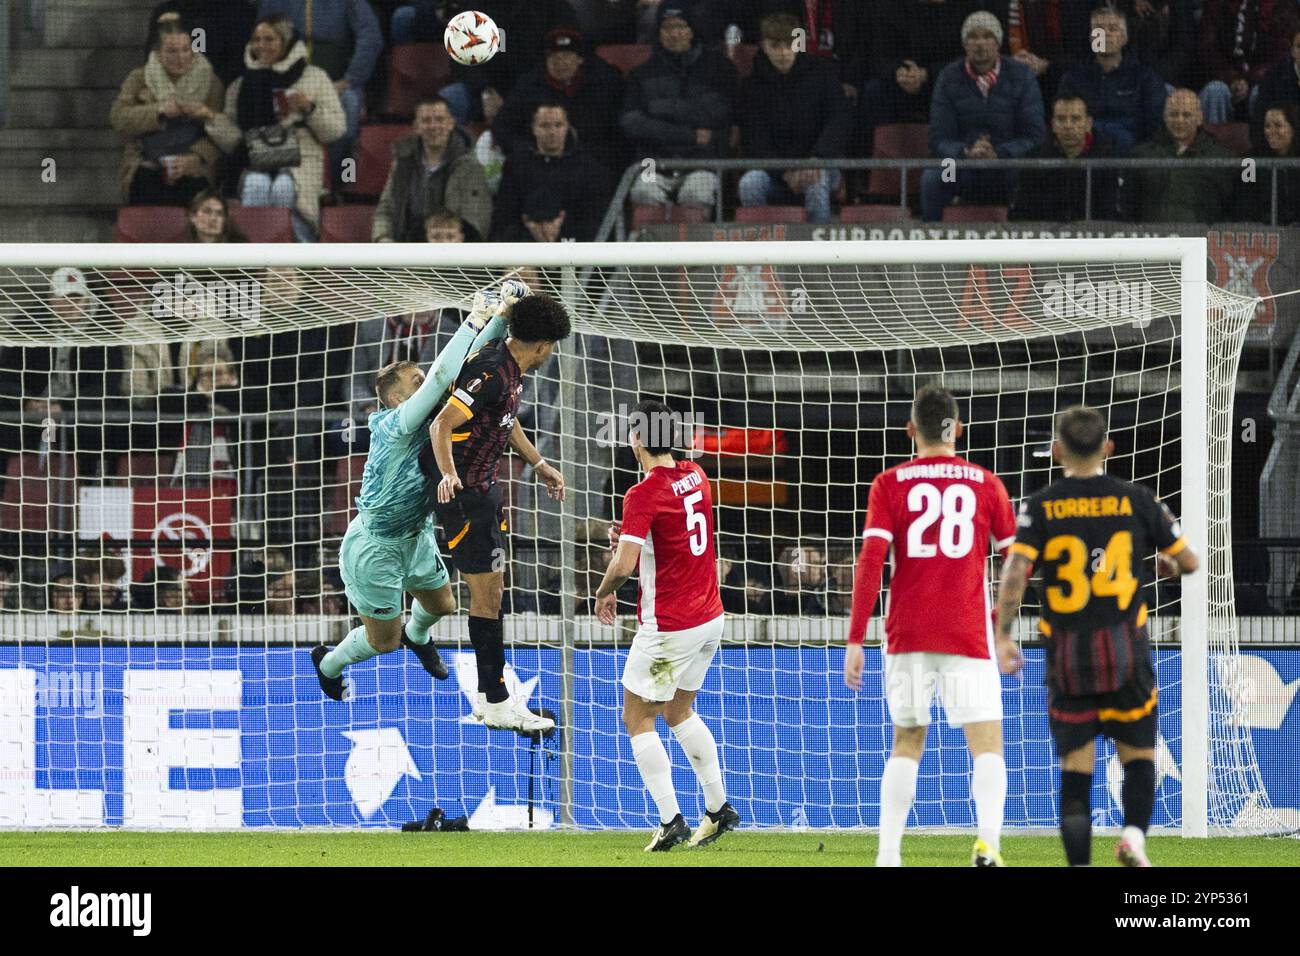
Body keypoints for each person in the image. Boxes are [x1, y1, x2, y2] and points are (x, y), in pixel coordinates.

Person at [994, 405, 1199, 867]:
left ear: (1056, 450)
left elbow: (1016, 572)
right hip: (1125, 652)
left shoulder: (1041, 505)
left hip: (1069, 658)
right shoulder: (1137, 500)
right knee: (1138, 756)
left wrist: (1003, 633)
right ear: (1108, 447)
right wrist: (1163, 564)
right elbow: (1188, 561)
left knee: (1075, 774)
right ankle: (1132, 838)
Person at [309, 285, 517, 701]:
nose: (428, 382)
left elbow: (471, 362)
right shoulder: (391, 424)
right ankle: (328, 663)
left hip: (416, 533)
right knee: (382, 643)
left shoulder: (439, 416)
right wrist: (474, 319)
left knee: (443, 606)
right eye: (416, 382)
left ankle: (417, 635)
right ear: (398, 398)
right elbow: (443, 373)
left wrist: (504, 314)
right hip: (376, 548)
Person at [844, 385, 1020, 867]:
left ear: (911, 430)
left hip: (907, 633)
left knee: (907, 740)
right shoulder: (986, 483)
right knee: (985, 741)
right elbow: (1016, 562)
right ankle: (988, 845)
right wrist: (1003, 630)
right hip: (968, 631)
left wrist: (855, 637)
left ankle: (888, 856)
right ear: (957, 428)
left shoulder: (890, 483)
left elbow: (870, 562)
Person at [594, 399, 738, 851]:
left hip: (670, 629)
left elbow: (624, 565)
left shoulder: (643, 493)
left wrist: (602, 590)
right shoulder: (696, 475)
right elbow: (673, 536)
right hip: (709, 620)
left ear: (636, 439)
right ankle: (718, 811)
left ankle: (669, 819)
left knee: (638, 716)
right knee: (679, 711)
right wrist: (633, 537)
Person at [427, 291, 571, 732]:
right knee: (486, 597)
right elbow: (441, 424)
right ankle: (494, 699)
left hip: (484, 491)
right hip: (467, 495)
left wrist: (539, 462)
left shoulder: (510, 367)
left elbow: (505, 422)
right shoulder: (490, 371)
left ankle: (495, 695)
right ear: (543, 345)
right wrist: (449, 475)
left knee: (491, 594)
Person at [202, 14, 347, 242]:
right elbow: (235, 141)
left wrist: (309, 108)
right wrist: (211, 117)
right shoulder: (240, 84)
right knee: (255, 183)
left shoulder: (315, 77)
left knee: (284, 187)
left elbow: (336, 130)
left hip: (300, 158)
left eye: (269, 39)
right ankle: (250, 259)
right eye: (256, 39)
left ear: (286, 41)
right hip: (255, 158)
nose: (261, 45)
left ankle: (297, 257)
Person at [923, 11, 1046, 220]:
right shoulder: (948, 77)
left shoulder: (1022, 76)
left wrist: (1000, 153)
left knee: (1030, 177)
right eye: (973, 36)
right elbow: (938, 139)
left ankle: (1025, 246)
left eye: (987, 36)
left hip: (1007, 164)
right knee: (933, 177)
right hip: (960, 165)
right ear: (964, 43)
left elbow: (1034, 136)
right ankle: (933, 245)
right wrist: (965, 151)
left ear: (998, 42)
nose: (980, 43)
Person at [737, 13, 853, 225]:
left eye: (789, 44)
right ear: (763, 45)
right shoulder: (751, 87)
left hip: (821, 165)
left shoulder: (823, 73)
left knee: (816, 182)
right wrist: (785, 170)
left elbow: (839, 119)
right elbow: (754, 139)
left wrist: (816, 159)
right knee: (749, 183)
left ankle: (818, 253)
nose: (783, 52)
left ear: (798, 42)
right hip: (774, 171)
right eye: (775, 45)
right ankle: (760, 252)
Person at [620, 5, 738, 214]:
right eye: (667, 27)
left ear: (692, 29)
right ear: (658, 33)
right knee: (643, 191)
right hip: (652, 163)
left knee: (695, 193)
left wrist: (661, 108)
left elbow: (718, 113)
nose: (674, 33)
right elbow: (632, 123)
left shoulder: (720, 68)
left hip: (703, 162)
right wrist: (690, 134)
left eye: (681, 26)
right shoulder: (642, 73)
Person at [257, 0, 382, 189]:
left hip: (337, 82)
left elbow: (371, 37)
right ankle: (278, 177)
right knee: (262, 99)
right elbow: (260, 39)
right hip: (285, 79)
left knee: (349, 104)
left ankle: (336, 183)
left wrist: (350, 79)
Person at [112, 13, 226, 206]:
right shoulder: (139, 78)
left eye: (185, 50)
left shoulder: (211, 82)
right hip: (148, 161)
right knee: (147, 190)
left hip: (193, 163)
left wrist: (197, 158)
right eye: (172, 51)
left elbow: (224, 133)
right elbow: (118, 118)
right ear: (157, 52)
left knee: (193, 195)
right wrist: (158, 111)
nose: (180, 58)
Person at [491, 27, 628, 172]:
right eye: (555, 57)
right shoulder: (528, 86)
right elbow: (503, 127)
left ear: (580, 59)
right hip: (539, 164)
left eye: (567, 56)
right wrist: (529, 152)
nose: (561, 63)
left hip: (593, 164)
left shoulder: (604, 83)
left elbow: (619, 131)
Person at [372, 96, 493, 242]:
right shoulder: (402, 162)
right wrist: (383, 238)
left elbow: (475, 222)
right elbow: (386, 210)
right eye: (426, 121)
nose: (434, 126)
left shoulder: (471, 167)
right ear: (416, 126)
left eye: (440, 119)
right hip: (403, 252)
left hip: (451, 255)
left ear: (451, 123)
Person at [491, 103, 613, 241]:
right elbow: (504, 215)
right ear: (534, 128)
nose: (552, 132)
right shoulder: (516, 166)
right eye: (545, 126)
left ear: (567, 127)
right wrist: (531, 234)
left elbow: (595, 219)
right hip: (523, 251)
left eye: (558, 125)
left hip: (576, 252)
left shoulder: (589, 169)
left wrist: (559, 236)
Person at [1057, 5, 1167, 156]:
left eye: (1113, 29)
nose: (1105, 34)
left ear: (1124, 37)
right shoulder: (1073, 79)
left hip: (1133, 157)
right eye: (1099, 29)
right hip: (1084, 155)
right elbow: (1064, 123)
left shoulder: (1145, 78)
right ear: (1091, 37)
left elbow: (1156, 127)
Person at [1129, 88, 1236, 222]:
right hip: (1153, 239)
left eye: (1186, 115)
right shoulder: (1141, 155)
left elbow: (1232, 210)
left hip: (1202, 239)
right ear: (1164, 117)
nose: (1179, 120)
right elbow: (1129, 208)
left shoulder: (1223, 159)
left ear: (1199, 118)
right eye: (1173, 114)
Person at [1011, 94, 1123, 220]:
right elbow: (1022, 213)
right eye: (1061, 119)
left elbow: (1109, 213)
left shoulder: (1106, 159)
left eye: (1075, 119)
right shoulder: (1034, 160)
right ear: (1053, 125)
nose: (1068, 126)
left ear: (1088, 123)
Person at [1197, 0, 1298, 125]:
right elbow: (1207, 48)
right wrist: (1231, 78)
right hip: (1224, 78)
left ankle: (1262, 143)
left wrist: (1248, 80)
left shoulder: (1283, 6)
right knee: (1214, 91)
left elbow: (1282, 54)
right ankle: (1210, 143)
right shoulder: (1216, 4)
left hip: (1261, 79)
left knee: (1262, 92)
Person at [1237, 104, 1300, 224]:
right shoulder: (1250, 161)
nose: (1271, 131)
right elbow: (1243, 200)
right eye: (1267, 126)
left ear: (1293, 128)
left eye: (1278, 125)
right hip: (1264, 231)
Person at [1251, 27, 1300, 152]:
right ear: (1293, 51)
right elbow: (1259, 126)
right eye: (1299, 46)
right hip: (1281, 155)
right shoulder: (1274, 78)